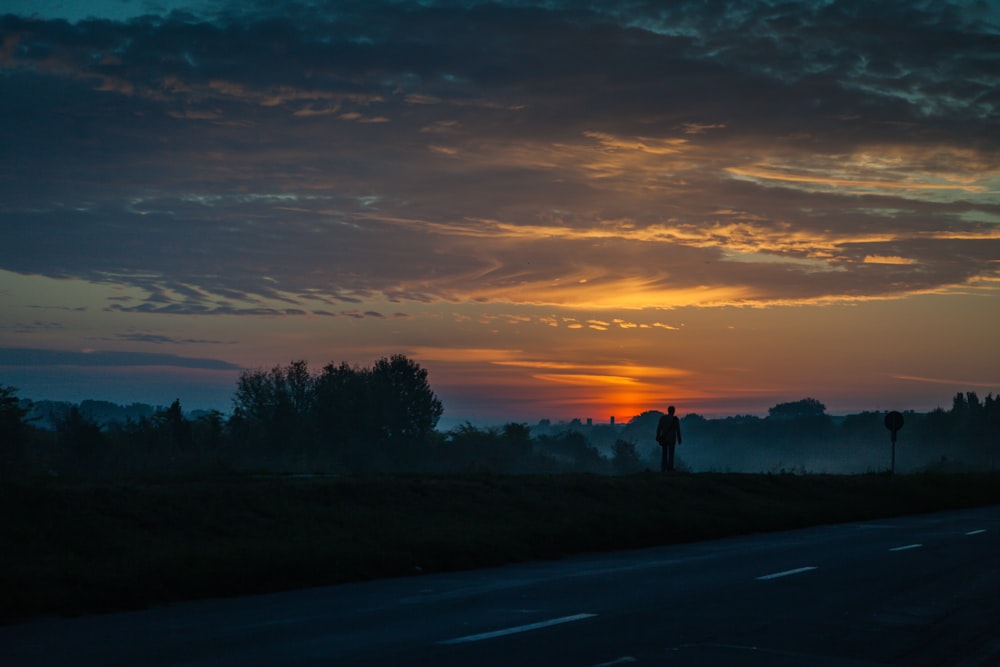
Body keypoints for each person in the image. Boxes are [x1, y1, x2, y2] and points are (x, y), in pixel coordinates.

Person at [655, 405, 682, 472]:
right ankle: (670, 468)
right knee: (671, 454)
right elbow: (678, 430)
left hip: (664, 439)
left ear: (668, 411)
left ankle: (663, 468)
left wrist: (658, 436)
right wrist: (679, 439)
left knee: (664, 454)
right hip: (672, 439)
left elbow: (659, 428)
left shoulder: (663, 418)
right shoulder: (675, 419)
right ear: (674, 411)